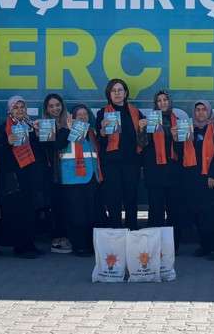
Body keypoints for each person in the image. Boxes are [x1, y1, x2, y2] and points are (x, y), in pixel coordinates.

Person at [0, 95, 43, 259]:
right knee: (17, 213)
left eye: (22, 107)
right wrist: (8, 142)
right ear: (10, 111)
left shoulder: (30, 126)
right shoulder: (4, 128)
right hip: (13, 177)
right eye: (16, 108)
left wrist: (38, 134)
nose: (20, 110)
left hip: (29, 175)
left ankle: (29, 244)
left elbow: (38, 149)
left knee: (30, 211)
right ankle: (20, 247)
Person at [95, 78, 147, 230]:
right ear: (109, 94)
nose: (117, 93)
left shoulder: (136, 112)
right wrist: (102, 132)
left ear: (125, 93)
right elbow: (99, 142)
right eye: (114, 90)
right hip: (111, 163)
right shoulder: (102, 113)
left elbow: (143, 141)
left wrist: (143, 129)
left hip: (132, 163)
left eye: (120, 90)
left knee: (131, 198)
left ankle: (132, 230)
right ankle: (115, 232)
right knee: (113, 199)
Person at [182, 100, 214, 260]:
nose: (200, 112)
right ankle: (205, 246)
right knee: (198, 214)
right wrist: (179, 139)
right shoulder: (189, 130)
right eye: (198, 110)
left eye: (204, 109)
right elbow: (181, 153)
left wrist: (213, 175)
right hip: (193, 180)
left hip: (212, 180)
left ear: (209, 112)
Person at [57, 103, 104, 257]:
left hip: (91, 178)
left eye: (85, 114)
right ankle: (79, 246)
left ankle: (90, 245)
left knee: (91, 214)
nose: (83, 117)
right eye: (79, 115)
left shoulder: (91, 132)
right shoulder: (65, 130)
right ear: (73, 117)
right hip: (72, 179)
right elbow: (58, 145)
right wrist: (69, 129)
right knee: (77, 215)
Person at [143, 90, 189, 246]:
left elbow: (184, 153)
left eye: (165, 100)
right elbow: (143, 147)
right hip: (155, 174)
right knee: (155, 212)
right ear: (155, 104)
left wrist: (176, 140)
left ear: (170, 102)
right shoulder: (150, 121)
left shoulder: (179, 122)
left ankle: (172, 246)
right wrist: (141, 130)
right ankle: (154, 247)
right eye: (159, 100)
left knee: (174, 212)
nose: (162, 103)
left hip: (173, 174)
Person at [38, 93, 70, 253]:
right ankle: (57, 239)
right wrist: (66, 130)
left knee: (68, 205)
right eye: (51, 106)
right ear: (46, 109)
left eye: (57, 105)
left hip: (71, 171)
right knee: (57, 206)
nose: (55, 108)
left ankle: (68, 236)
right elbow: (56, 145)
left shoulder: (69, 121)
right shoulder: (45, 125)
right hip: (54, 173)